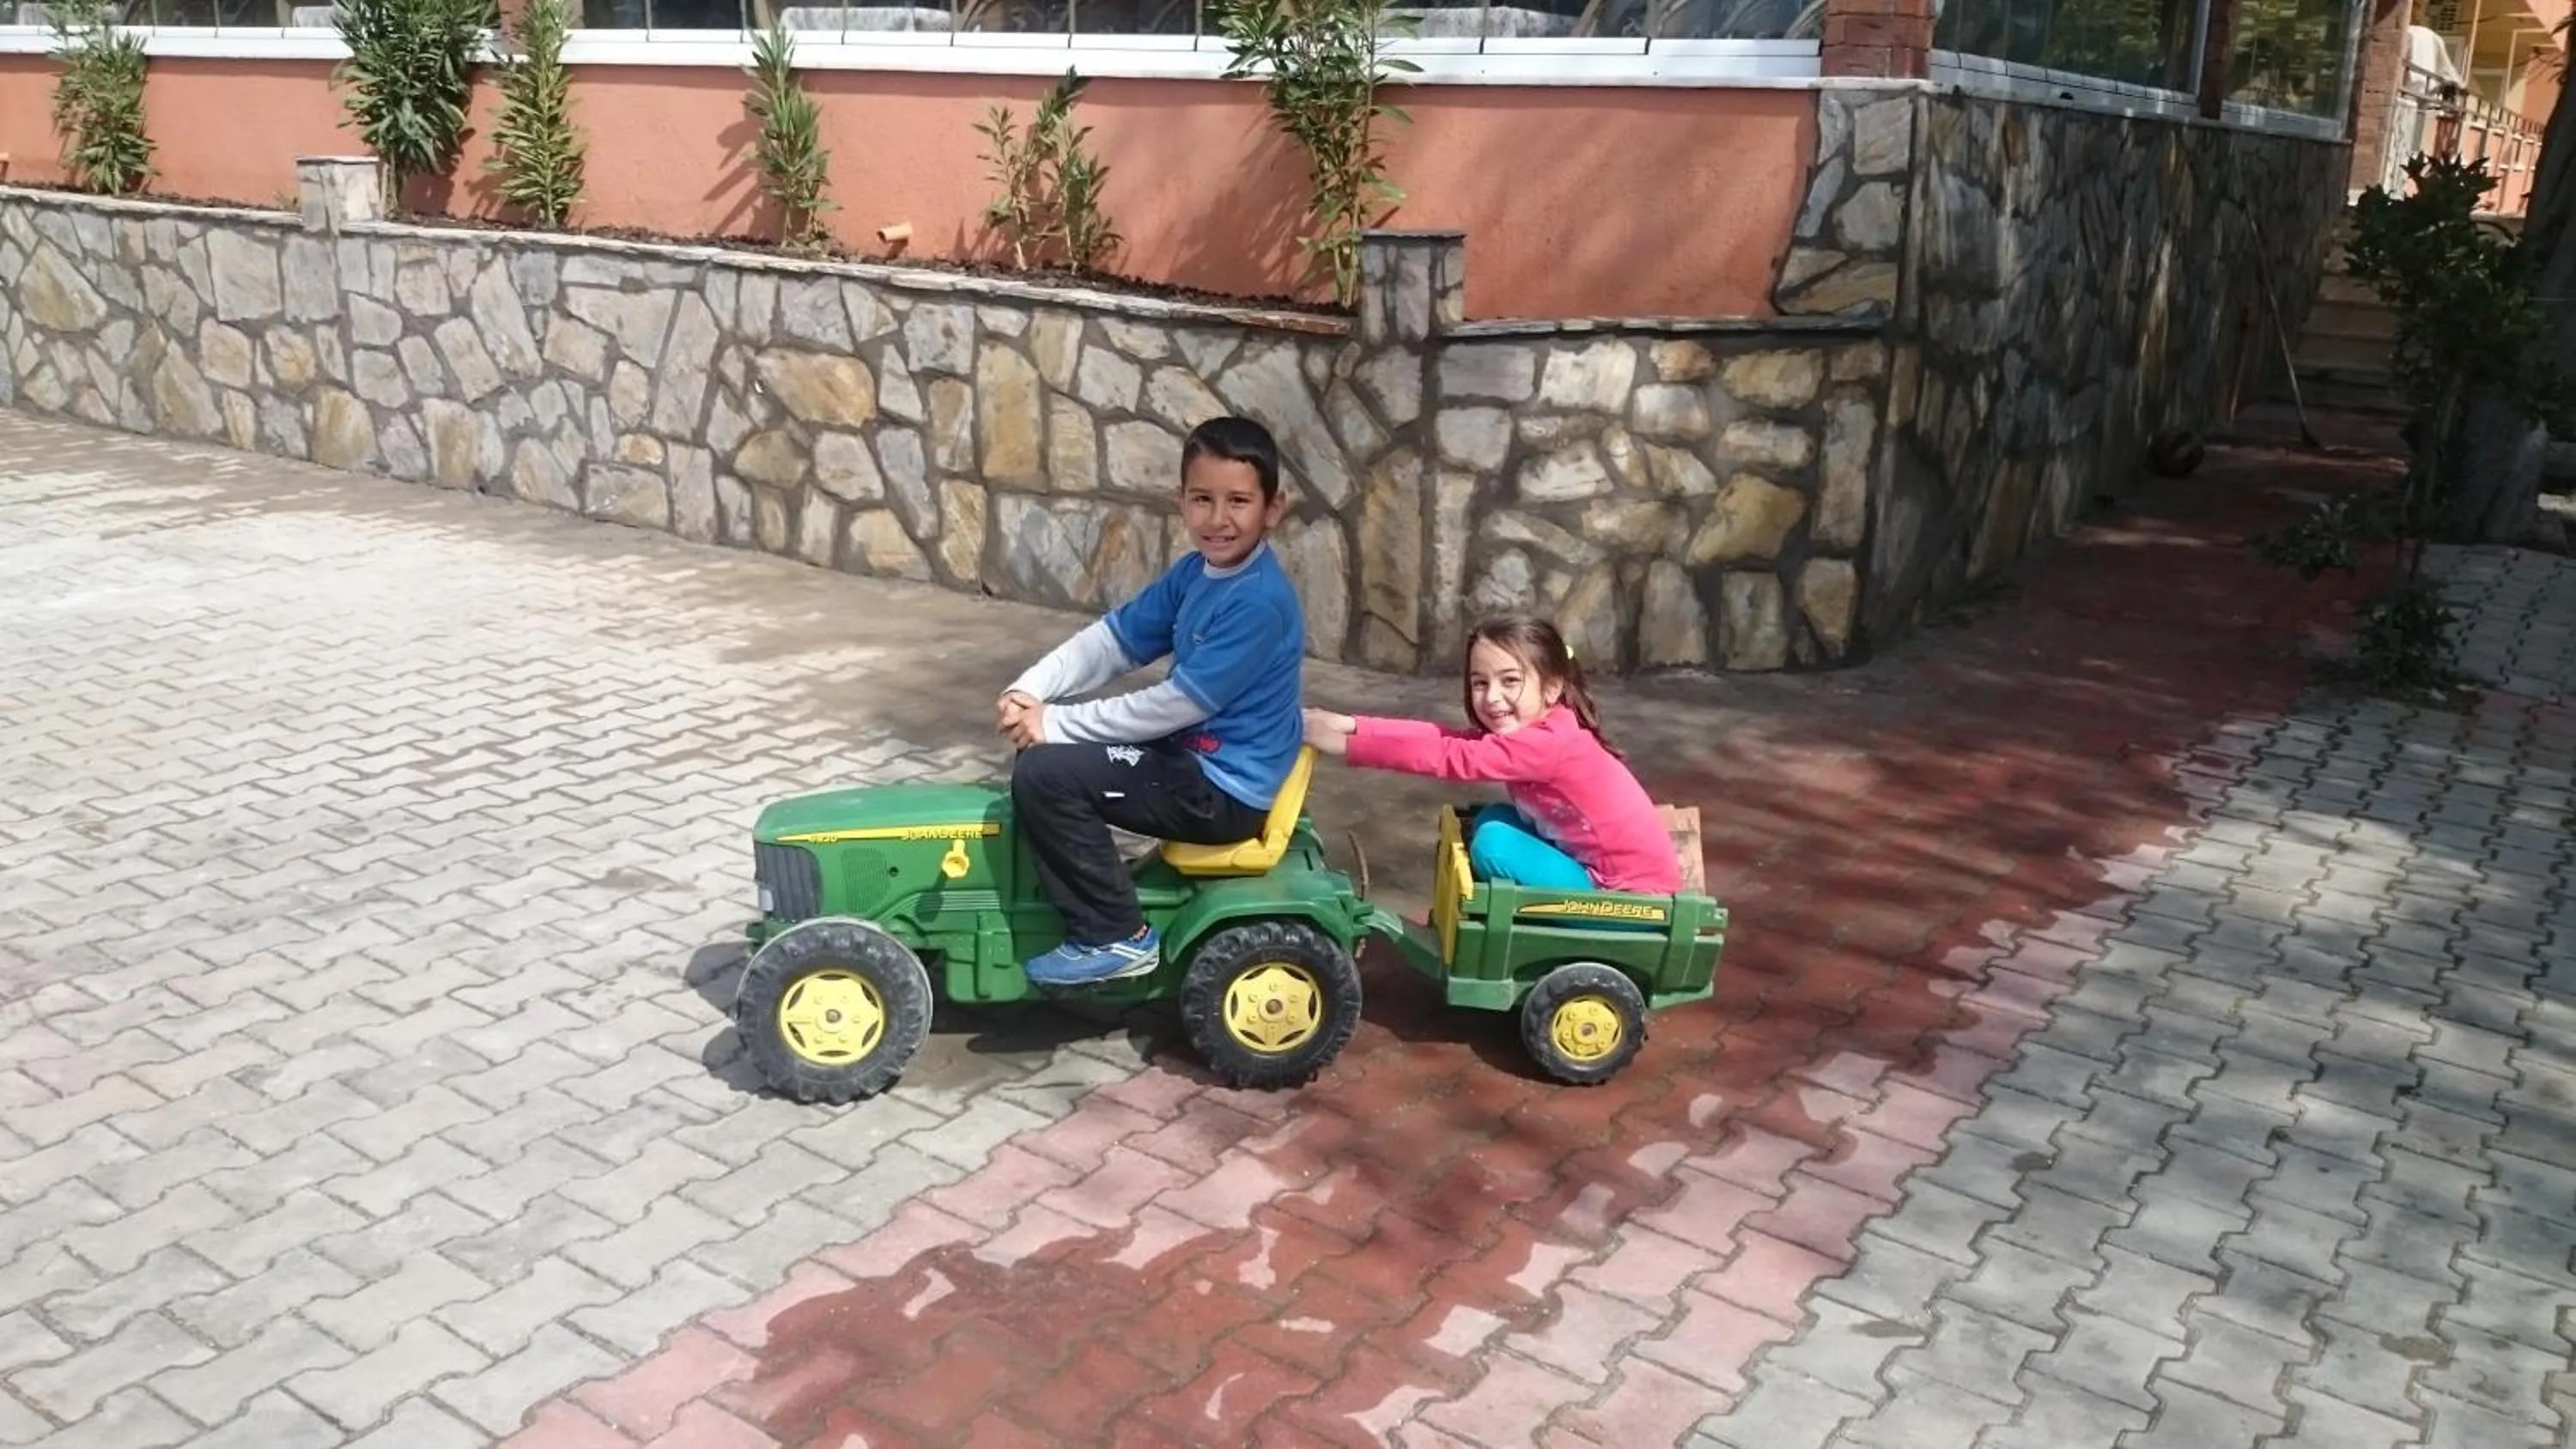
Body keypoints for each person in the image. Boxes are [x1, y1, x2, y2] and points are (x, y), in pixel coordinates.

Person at [998, 415, 1307, 985]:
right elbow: (1114, 639)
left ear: (1273, 508)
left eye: (1238, 500)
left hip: (1222, 789)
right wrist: (1032, 688)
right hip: (1195, 759)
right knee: (1044, 760)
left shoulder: (1259, 602)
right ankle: (1081, 887)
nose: (1218, 518)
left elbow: (1176, 705)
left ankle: (1114, 933)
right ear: (1180, 501)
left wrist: (1058, 723)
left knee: (1047, 775)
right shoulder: (1197, 573)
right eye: (1202, 499)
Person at [1302, 615, 1681, 895]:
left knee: (1492, 844)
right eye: (1480, 683)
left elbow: (1447, 755)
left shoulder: (1546, 745)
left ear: (1551, 688)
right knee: (1492, 816)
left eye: (1510, 681)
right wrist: (1350, 724)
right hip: (1603, 864)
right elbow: (1445, 738)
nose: (1492, 697)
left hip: (1622, 889)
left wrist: (1346, 745)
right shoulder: (1542, 730)